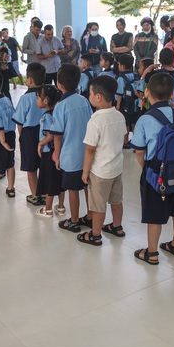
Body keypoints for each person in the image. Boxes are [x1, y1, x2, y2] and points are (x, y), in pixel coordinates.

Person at [131, 73, 174, 265]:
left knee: (154, 213)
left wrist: (145, 169)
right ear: (173, 94)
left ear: (147, 92)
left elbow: (139, 151)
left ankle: (152, 252)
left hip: (156, 171)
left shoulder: (145, 119)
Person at [78, 76, 127, 246]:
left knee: (98, 205)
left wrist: (85, 172)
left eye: (90, 93)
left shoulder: (96, 120)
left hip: (100, 172)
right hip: (116, 168)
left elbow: (90, 149)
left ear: (98, 97)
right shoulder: (119, 116)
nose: (89, 96)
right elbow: (123, 138)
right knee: (116, 200)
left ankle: (95, 235)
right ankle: (117, 226)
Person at [50, 64, 94, 233]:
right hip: (87, 153)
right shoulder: (84, 100)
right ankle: (90, 216)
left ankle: (74, 220)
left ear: (59, 84)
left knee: (72, 189)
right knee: (86, 186)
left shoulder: (60, 106)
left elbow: (57, 135)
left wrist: (58, 156)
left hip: (70, 155)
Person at [12, 63, 46, 205]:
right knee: (44, 165)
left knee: (31, 167)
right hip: (45, 132)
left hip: (29, 133)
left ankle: (35, 195)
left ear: (30, 79)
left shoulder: (25, 98)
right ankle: (44, 195)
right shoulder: (47, 95)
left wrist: (21, 136)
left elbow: (19, 121)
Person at [35, 85, 65, 218]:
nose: (37, 100)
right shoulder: (58, 113)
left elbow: (50, 135)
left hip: (49, 152)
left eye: (38, 97)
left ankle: (47, 209)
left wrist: (40, 143)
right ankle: (61, 207)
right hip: (58, 152)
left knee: (49, 181)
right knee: (59, 180)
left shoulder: (47, 117)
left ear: (45, 100)